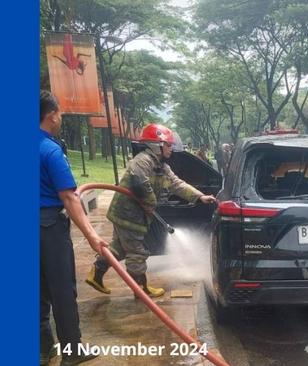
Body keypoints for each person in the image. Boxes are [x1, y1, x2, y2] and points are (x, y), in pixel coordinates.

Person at [85, 123, 217, 298]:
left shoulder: (162, 167)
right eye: (168, 145)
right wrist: (151, 201)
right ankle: (141, 290)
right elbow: (139, 179)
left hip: (131, 215)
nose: (171, 149)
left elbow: (177, 184)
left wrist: (200, 196)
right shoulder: (142, 161)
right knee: (137, 252)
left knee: (119, 248)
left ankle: (96, 274)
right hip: (128, 215)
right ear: (157, 145)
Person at [40, 90, 109, 366]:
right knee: (62, 290)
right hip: (47, 227)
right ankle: (72, 352)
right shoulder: (50, 150)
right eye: (59, 112)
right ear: (50, 115)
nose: (61, 117)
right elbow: (69, 196)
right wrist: (92, 236)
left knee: (35, 289)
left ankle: (43, 349)